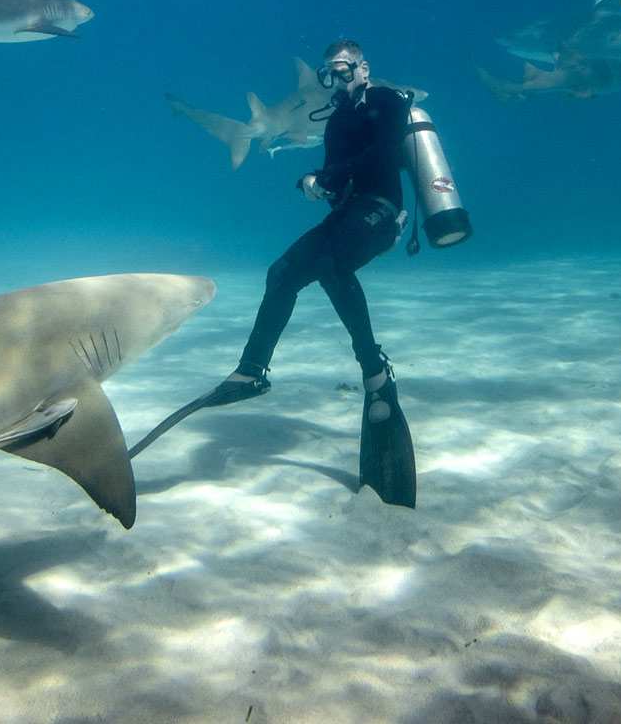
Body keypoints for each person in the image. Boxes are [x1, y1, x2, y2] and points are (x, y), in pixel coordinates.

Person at [137, 39, 418, 506]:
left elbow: (384, 151)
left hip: (381, 212)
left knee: (331, 265)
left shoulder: (388, 99)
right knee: (282, 271)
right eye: (329, 73)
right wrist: (313, 183)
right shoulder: (338, 115)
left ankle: (374, 368)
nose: (336, 79)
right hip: (345, 215)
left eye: (344, 70)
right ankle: (252, 371)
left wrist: (328, 179)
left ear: (365, 68)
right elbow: (337, 172)